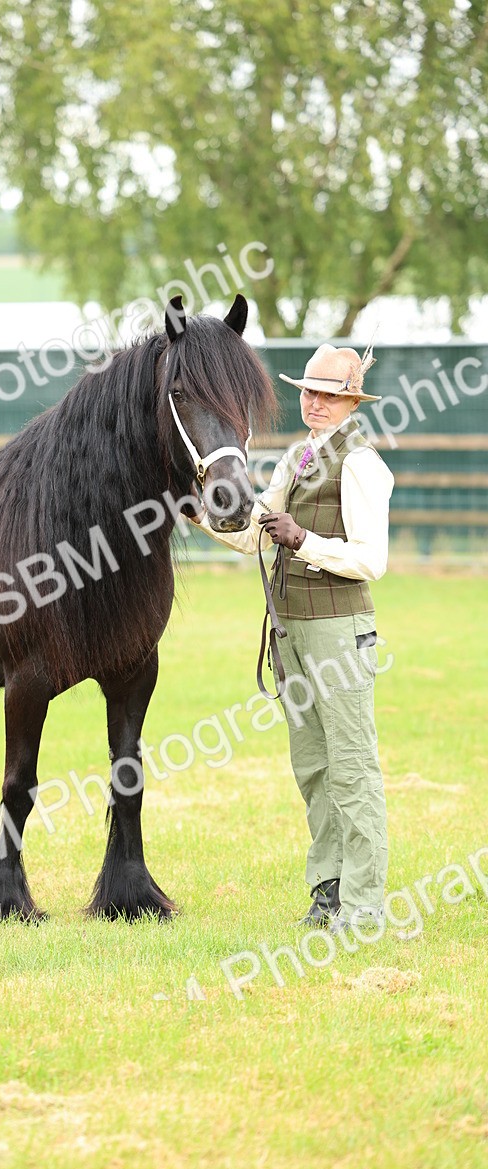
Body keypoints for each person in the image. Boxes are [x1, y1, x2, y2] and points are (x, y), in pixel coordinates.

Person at [193, 343, 394, 934]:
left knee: (352, 766)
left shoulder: (361, 464)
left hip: (338, 630)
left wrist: (302, 539)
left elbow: (370, 560)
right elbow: (259, 534)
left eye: (327, 395)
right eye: (308, 391)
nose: (314, 402)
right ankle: (327, 888)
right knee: (312, 765)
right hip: (293, 629)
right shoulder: (299, 458)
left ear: (350, 402)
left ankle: (363, 904)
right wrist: (197, 513)